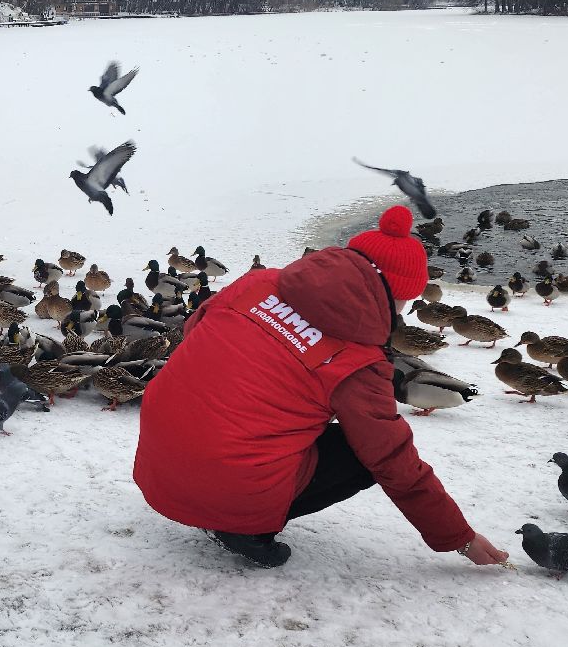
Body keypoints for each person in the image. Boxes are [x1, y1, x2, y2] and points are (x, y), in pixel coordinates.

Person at [132, 205, 509, 569]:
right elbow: (392, 459)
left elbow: (194, 329)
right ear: (399, 295)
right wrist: (458, 536)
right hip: (225, 483)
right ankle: (246, 528)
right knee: (365, 452)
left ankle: (219, 495)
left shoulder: (255, 283)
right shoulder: (360, 361)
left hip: (158, 467)